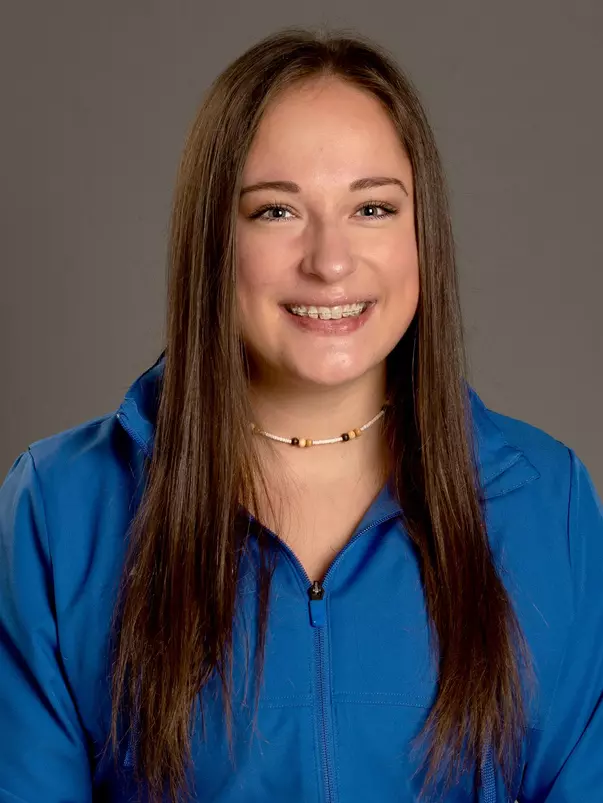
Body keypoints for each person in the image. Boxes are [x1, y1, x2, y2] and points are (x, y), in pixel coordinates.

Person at [0, 26, 601, 803]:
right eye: (276, 212)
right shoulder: (58, 509)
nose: (329, 260)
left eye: (373, 208)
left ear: (424, 236)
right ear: (213, 237)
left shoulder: (546, 501)